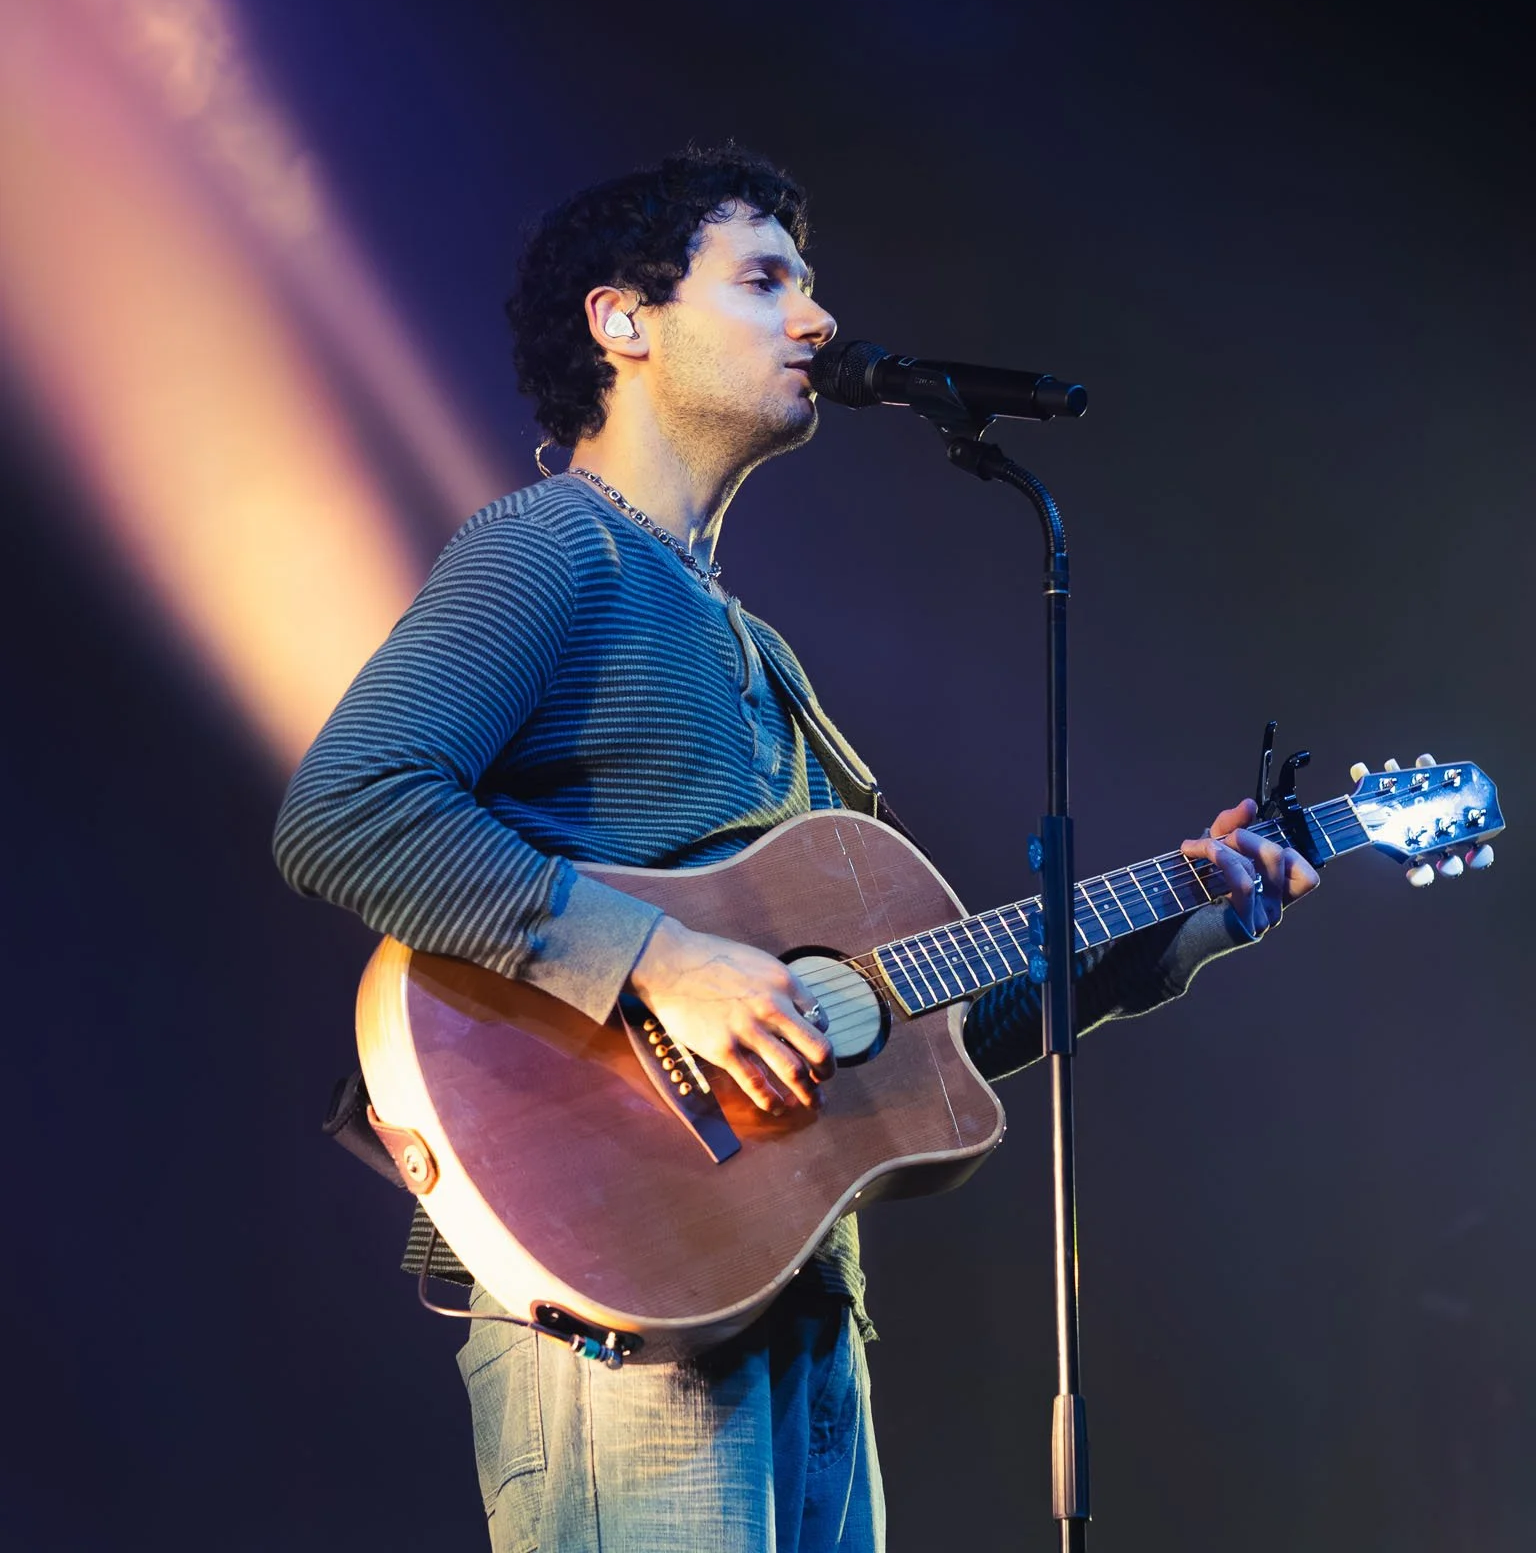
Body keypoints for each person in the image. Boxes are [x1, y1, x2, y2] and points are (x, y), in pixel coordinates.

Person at [272, 145, 1318, 1553]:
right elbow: (348, 807)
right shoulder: (550, 549)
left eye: (811, 286)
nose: (818, 321)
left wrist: (1197, 916)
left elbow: (914, 1018)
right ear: (621, 324)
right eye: (764, 282)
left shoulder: (760, 654)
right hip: (618, 1318)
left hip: (795, 1298)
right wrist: (670, 964)